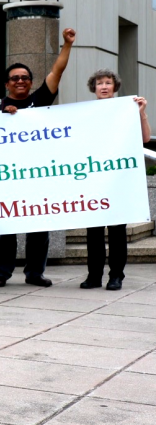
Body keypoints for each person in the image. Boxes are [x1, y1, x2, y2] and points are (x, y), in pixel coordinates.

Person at [0, 28, 76, 289]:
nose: (20, 81)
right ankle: (1, 272)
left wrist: (67, 44)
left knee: (39, 227)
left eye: (25, 77)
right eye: (15, 78)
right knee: (6, 227)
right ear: (7, 83)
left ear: (30, 82)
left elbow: (57, 72)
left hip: (38, 177)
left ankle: (35, 273)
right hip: (7, 177)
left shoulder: (41, 99)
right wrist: (4, 115)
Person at [80, 69, 149, 291]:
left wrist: (141, 112)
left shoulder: (126, 109)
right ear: (94, 88)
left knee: (117, 231)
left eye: (108, 82)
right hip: (93, 179)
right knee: (94, 233)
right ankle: (94, 276)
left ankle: (116, 276)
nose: (103, 86)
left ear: (114, 87)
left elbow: (145, 138)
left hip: (118, 180)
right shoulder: (84, 112)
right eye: (99, 83)